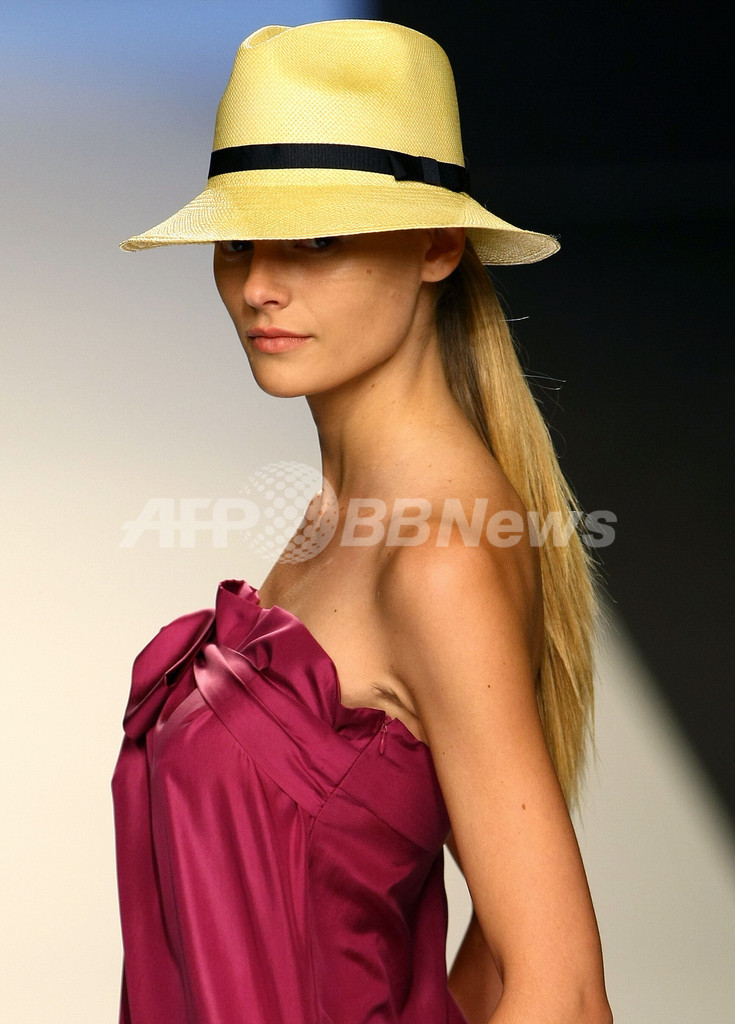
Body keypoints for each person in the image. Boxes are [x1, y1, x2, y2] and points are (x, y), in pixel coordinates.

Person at [113, 19, 612, 1024]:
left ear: (437, 247)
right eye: (238, 241)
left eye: (318, 239)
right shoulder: (337, 520)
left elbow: (557, 988)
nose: (258, 286)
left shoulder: (437, 557)